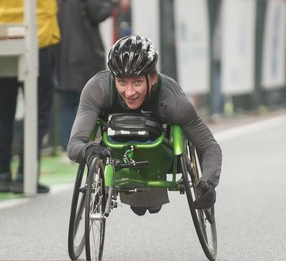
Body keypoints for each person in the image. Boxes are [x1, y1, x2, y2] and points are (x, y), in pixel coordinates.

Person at [67, 35, 222, 215]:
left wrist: (208, 182)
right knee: (139, 209)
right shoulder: (98, 89)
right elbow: (74, 145)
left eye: (138, 82)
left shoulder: (172, 100)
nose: (130, 92)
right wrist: (88, 151)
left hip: (159, 160)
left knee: (151, 207)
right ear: (113, 77)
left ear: (153, 77)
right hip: (117, 155)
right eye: (122, 82)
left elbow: (208, 146)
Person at [0, 0, 61, 194]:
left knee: (0, 112)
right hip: (38, 37)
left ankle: (3, 175)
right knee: (38, 113)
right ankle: (25, 175)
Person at [55, 0, 117, 155]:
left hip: (63, 53)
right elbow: (98, 13)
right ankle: (92, 143)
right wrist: (111, 3)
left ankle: (67, 146)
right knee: (94, 100)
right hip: (86, 54)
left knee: (68, 102)